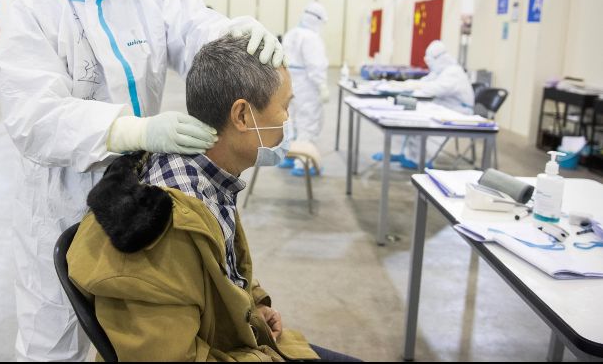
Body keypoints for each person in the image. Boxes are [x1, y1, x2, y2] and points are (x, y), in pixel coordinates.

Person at [0, 0, 286, 361]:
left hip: (135, 195)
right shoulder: (36, 12)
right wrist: (136, 130)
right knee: (52, 344)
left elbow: (196, 29)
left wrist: (232, 32)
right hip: (62, 198)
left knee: (143, 323)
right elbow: (34, 119)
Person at [68, 34, 359, 362]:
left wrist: (254, 302)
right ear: (243, 116)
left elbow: (218, 270)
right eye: (285, 107)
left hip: (234, 340)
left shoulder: (209, 176)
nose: (289, 121)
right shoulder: (161, 234)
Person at [374, 40, 475, 169]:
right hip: (442, 107)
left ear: (440, 58)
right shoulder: (440, 71)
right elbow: (425, 81)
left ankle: (417, 159)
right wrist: (404, 84)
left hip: (458, 112)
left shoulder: (453, 72)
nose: (430, 65)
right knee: (407, 115)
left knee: (419, 120)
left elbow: (434, 88)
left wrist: (414, 86)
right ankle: (403, 153)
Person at [279, 2, 330, 176]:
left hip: (289, 83)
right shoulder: (311, 38)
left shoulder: (292, 33)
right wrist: (322, 85)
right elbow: (315, 65)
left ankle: (289, 156)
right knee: (308, 122)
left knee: (290, 120)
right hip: (307, 85)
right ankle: (304, 164)